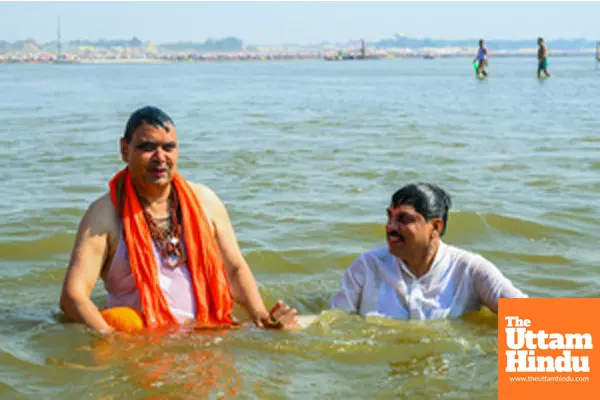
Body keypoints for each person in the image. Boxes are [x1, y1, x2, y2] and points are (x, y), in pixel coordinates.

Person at [59, 106, 298, 333]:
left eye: (169, 147)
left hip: (207, 332)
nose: (160, 157)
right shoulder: (105, 214)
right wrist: (109, 337)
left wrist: (260, 315)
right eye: (147, 147)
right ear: (124, 150)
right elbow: (73, 296)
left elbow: (234, 269)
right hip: (143, 344)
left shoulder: (205, 201)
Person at [329, 183, 527, 320]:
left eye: (404, 219)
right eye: (390, 217)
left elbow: (530, 317)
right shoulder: (367, 265)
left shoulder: (469, 269)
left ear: (436, 227)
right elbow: (334, 320)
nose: (391, 227)